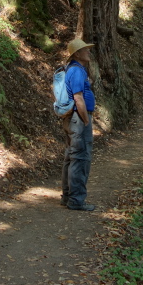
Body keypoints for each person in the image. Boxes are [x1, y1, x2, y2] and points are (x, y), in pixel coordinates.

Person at [61, 38, 96, 211]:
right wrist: (86, 119)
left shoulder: (76, 70)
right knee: (80, 158)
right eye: (85, 50)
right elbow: (78, 97)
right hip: (79, 119)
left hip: (74, 118)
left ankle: (68, 196)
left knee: (71, 156)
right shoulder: (76, 71)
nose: (89, 52)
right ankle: (76, 200)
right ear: (77, 54)